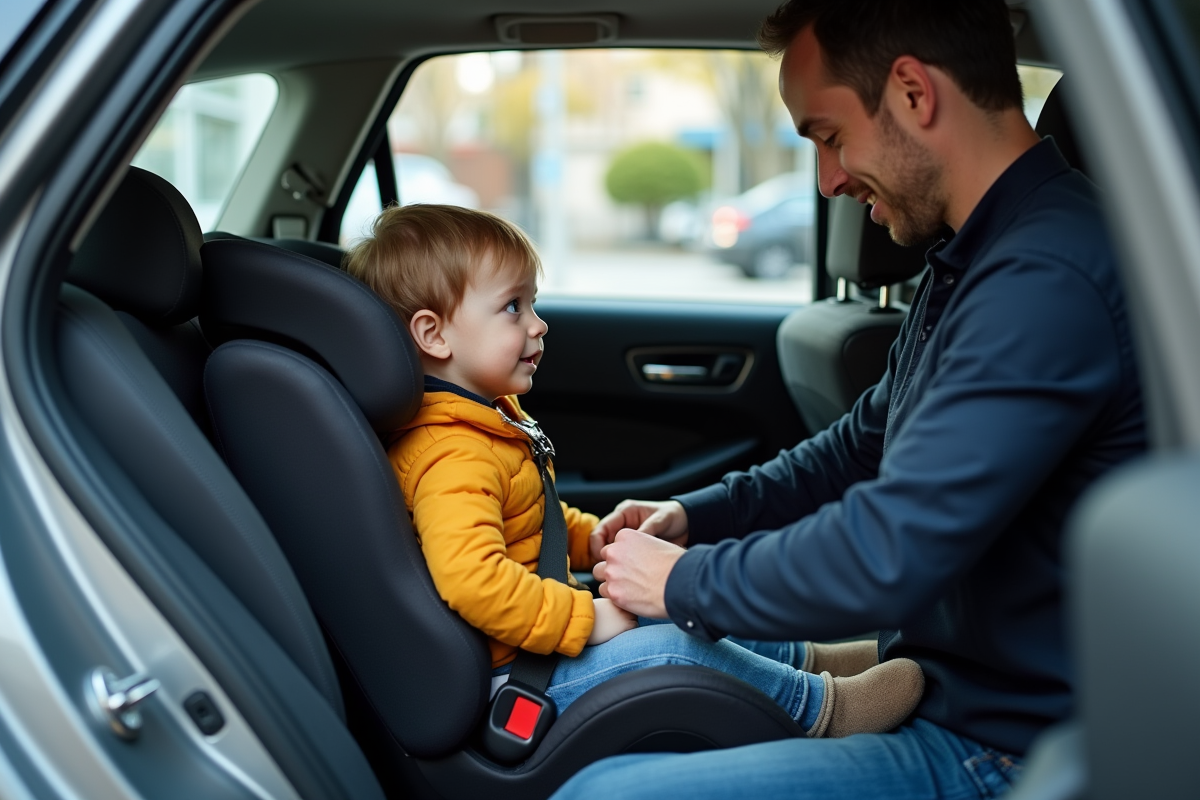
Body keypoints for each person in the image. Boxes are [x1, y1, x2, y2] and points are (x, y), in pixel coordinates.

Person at [556, 0, 1146, 798]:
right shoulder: (976, 259)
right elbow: (859, 447)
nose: (829, 180)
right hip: (944, 688)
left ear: (912, 92)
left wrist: (684, 582)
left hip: (1006, 747)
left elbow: (889, 548)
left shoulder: (1047, 278)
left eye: (830, 138)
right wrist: (696, 517)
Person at [344, 203, 925, 738]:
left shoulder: (484, 419)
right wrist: (587, 617)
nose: (538, 324)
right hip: (519, 675)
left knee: (676, 606)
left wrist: (590, 540)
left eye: (535, 303)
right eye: (512, 307)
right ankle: (823, 709)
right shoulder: (450, 454)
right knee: (675, 644)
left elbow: (526, 516)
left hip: (536, 640)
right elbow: (474, 582)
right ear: (432, 333)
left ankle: (812, 661)